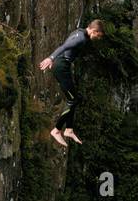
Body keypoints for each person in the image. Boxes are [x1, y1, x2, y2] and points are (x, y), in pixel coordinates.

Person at [38, 19, 105, 147]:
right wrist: (51, 58)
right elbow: (64, 46)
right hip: (61, 66)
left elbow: (66, 44)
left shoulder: (79, 32)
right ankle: (57, 130)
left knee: (74, 98)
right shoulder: (81, 39)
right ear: (95, 31)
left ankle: (69, 130)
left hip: (62, 64)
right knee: (72, 100)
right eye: (98, 35)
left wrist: (55, 59)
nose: (98, 38)